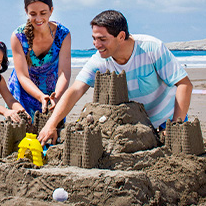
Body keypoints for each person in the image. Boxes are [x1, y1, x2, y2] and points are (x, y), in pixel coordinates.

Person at [38, 10, 193, 145]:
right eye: (94, 38)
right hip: (138, 128)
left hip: (167, 120)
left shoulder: (151, 48)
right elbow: (75, 90)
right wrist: (51, 124)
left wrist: (175, 125)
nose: (96, 44)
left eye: (102, 39)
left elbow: (184, 84)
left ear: (121, 36)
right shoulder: (100, 60)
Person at [8, 0, 71, 119]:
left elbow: (64, 72)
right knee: (21, 133)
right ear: (26, 12)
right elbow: (23, 76)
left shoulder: (63, 34)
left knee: (52, 134)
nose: (38, 19)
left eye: (43, 13)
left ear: (51, 11)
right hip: (24, 90)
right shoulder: (18, 37)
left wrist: (56, 96)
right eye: (33, 14)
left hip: (53, 91)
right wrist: (40, 96)